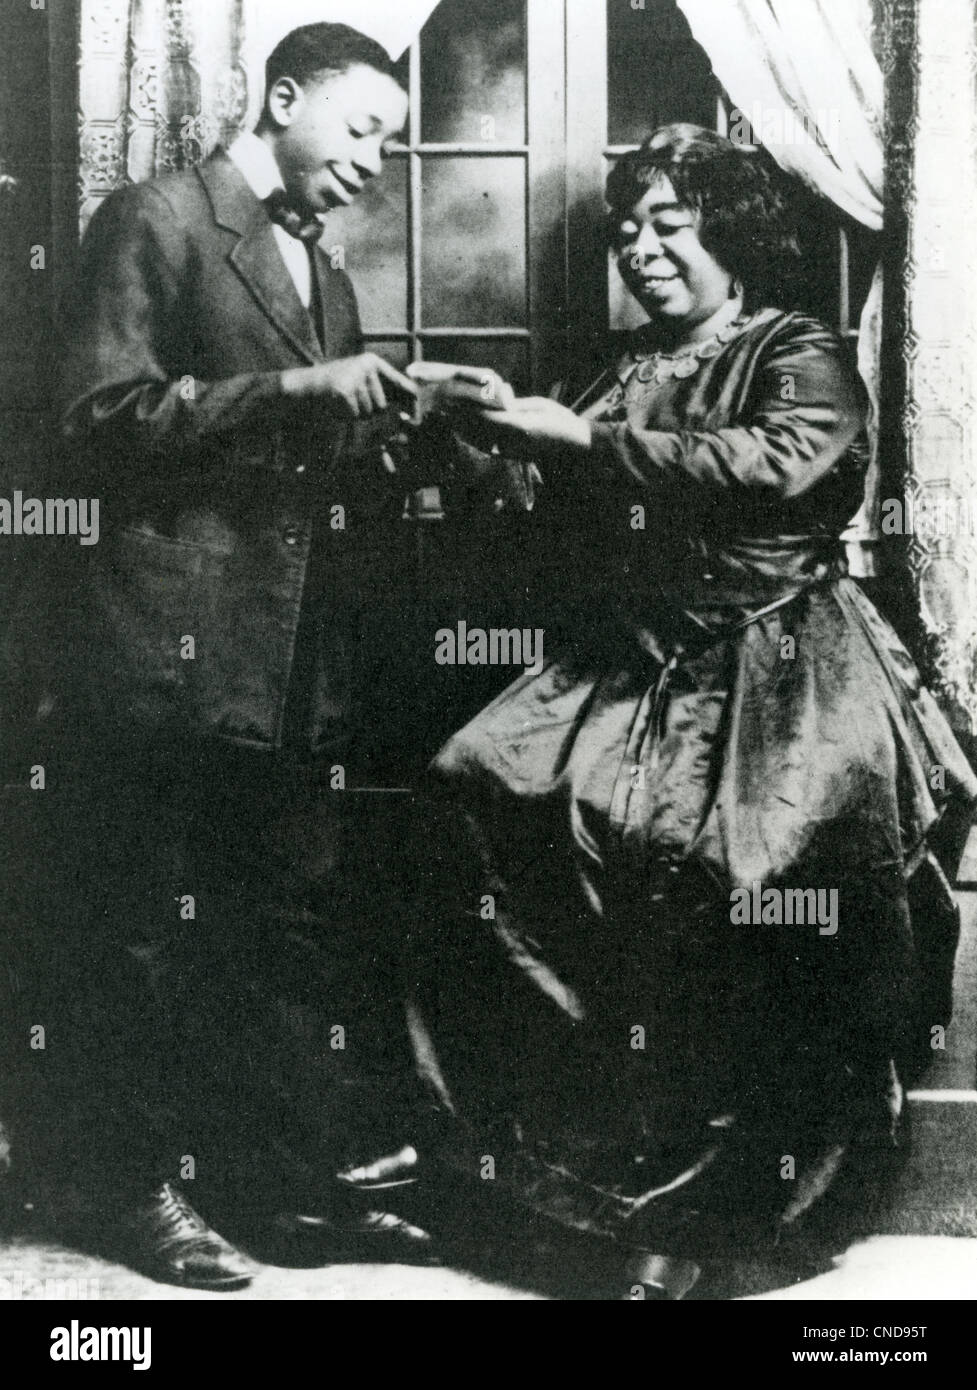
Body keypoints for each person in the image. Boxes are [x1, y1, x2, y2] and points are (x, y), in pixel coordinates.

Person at [406, 125, 977, 1299]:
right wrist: (485, 439)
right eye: (629, 229)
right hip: (624, 662)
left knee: (737, 875)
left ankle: (712, 1214)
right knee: (472, 788)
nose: (643, 249)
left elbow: (772, 467)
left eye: (672, 225)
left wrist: (581, 439)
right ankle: (558, 1190)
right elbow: (544, 510)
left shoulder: (796, 349)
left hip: (777, 666)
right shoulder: (609, 367)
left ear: (730, 231)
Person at [15, 23, 437, 1289]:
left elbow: (305, 469)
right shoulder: (155, 217)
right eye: (361, 129)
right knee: (129, 929)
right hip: (156, 655)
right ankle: (112, 1192)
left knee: (270, 928)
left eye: (391, 142)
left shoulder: (328, 280)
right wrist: (307, 395)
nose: (374, 160)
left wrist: (415, 428)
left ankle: (269, 1182)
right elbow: (95, 420)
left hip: (287, 670)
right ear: (283, 96)